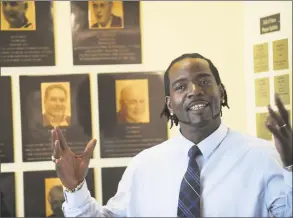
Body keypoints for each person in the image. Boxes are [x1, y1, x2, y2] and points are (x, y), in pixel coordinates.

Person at [50, 53, 292, 217]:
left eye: (204, 81)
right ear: (170, 103)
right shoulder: (144, 166)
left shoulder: (265, 158)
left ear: (221, 92)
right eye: (181, 86)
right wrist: (75, 187)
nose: (195, 91)